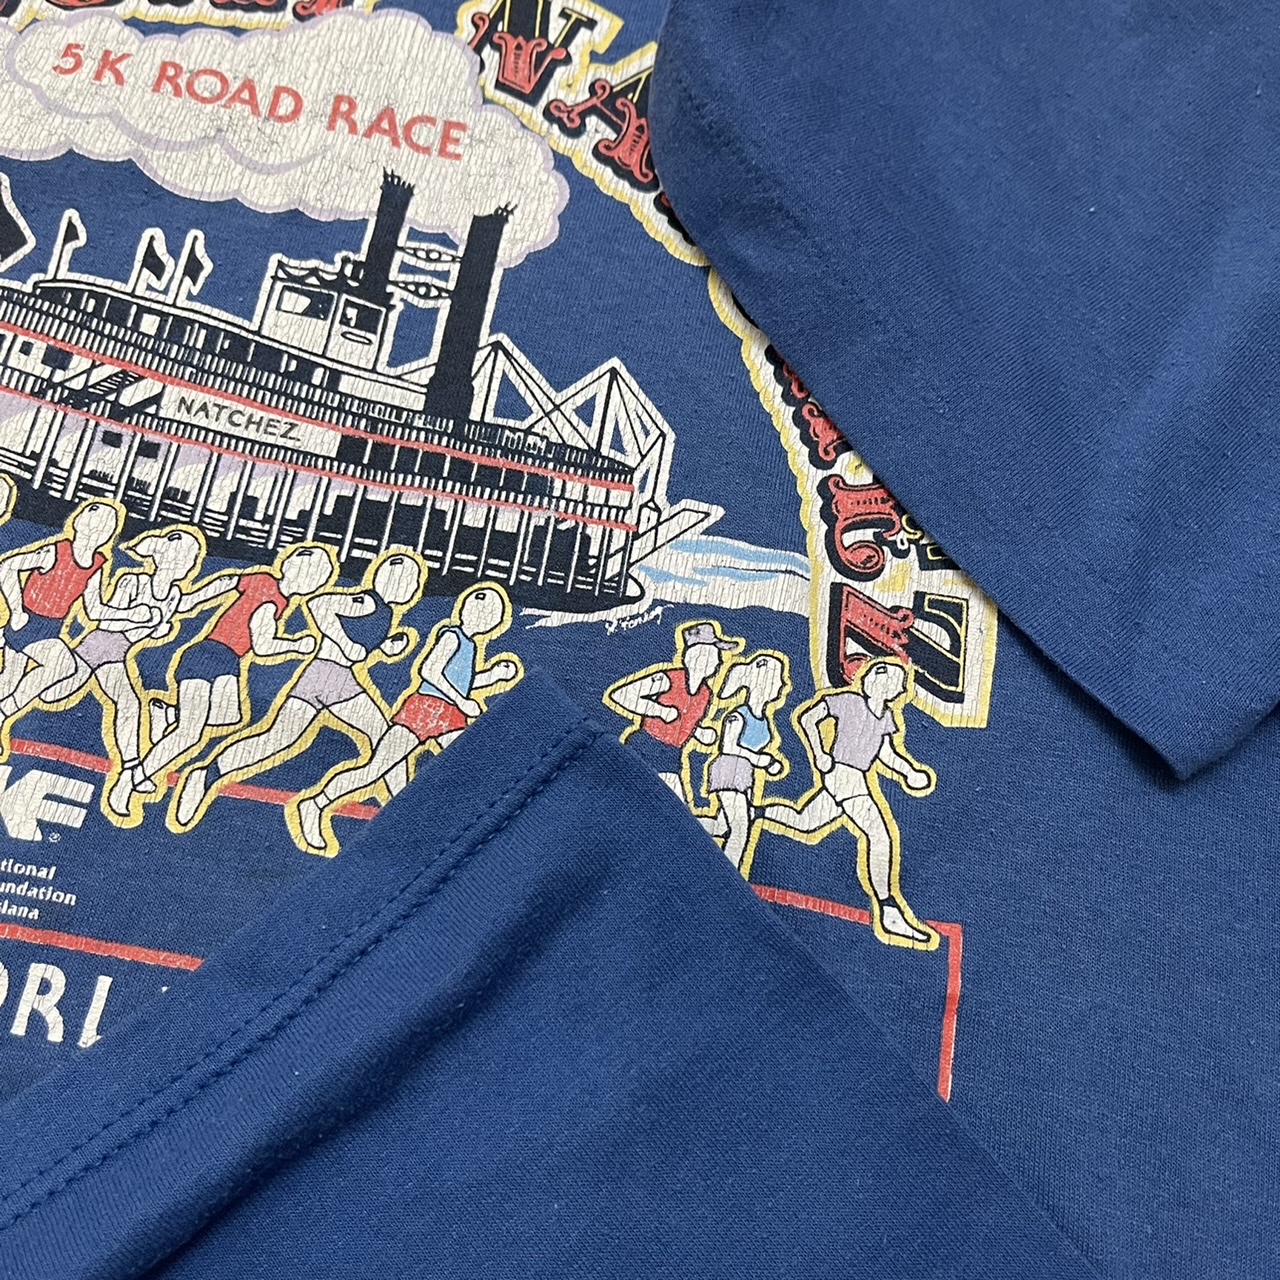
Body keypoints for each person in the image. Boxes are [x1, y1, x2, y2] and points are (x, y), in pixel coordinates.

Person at [170, 550, 425, 832]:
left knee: (286, 738)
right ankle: (406, 809)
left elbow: (360, 641)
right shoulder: (366, 600)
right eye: (410, 579)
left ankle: (207, 773)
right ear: (387, 577)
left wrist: (385, 646)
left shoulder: (383, 613)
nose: (414, 586)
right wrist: (343, 642)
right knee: (382, 741)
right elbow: (320, 604)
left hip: (336, 678)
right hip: (328, 675)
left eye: (415, 581)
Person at [291, 583, 521, 856]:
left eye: (493, 610)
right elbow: (430, 670)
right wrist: (462, 701)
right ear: (465, 608)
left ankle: (470, 828)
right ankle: (315, 804)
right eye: (480, 604)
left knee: (469, 763)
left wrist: (492, 676)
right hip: (425, 708)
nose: (485, 614)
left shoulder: (469, 646)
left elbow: (461, 682)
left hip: (449, 715)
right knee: (376, 769)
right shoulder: (452, 636)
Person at [114, 543, 338, 819]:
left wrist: (194, 598)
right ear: (295, 569)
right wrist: (296, 645)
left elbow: (227, 581)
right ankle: (132, 779)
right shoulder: (273, 597)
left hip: (228, 661)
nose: (316, 582)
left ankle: (168, 713)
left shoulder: (264, 581)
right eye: (316, 575)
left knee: (230, 715)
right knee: (190, 732)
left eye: (320, 577)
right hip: (207, 655)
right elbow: (263, 645)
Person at [760, 659, 937, 949]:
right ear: (877, 681)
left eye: (899, 683)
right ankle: (888, 909)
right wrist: (820, 754)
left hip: (854, 777)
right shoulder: (850, 701)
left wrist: (908, 771)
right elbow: (808, 717)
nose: (900, 687)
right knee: (878, 835)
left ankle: (754, 812)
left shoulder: (886, 716)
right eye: (895, 681)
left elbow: (886, 753)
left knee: (805, 821)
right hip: (843, 774)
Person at [0, 498, 124, 742]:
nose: (98, 530)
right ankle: (4, 712)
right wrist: (16, 611)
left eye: (107, 526)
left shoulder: (97, 564)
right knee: (63, 665)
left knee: (8, 680)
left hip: (51, 628)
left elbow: (94, 609)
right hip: (28, 623)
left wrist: (130, 615)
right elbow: (7, 566)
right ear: (78, 522)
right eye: (94, 522)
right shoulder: (56, 550)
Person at [602, 620, 741, 801]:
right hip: (646, 745)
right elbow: (621, 694)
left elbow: (685, 721)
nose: (719, 660)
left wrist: (698, 732)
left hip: (672, 755)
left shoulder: (705, 694)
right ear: (695, 654)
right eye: (714, 652)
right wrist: (659, 710)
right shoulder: (668, 679)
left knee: (674, 804)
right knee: (635, 798)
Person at [699, 651, 789, 874]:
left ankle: (676, 820)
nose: (783, 684)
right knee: (740, 829)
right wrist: (761, 760)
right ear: (764, 683)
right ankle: (727, 878)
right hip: (729, 770)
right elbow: (728, 746)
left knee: (721, 826)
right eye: (778, 678)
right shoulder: (739, 714)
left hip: (744, 776)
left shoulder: (763, 720)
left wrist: (766, 762)